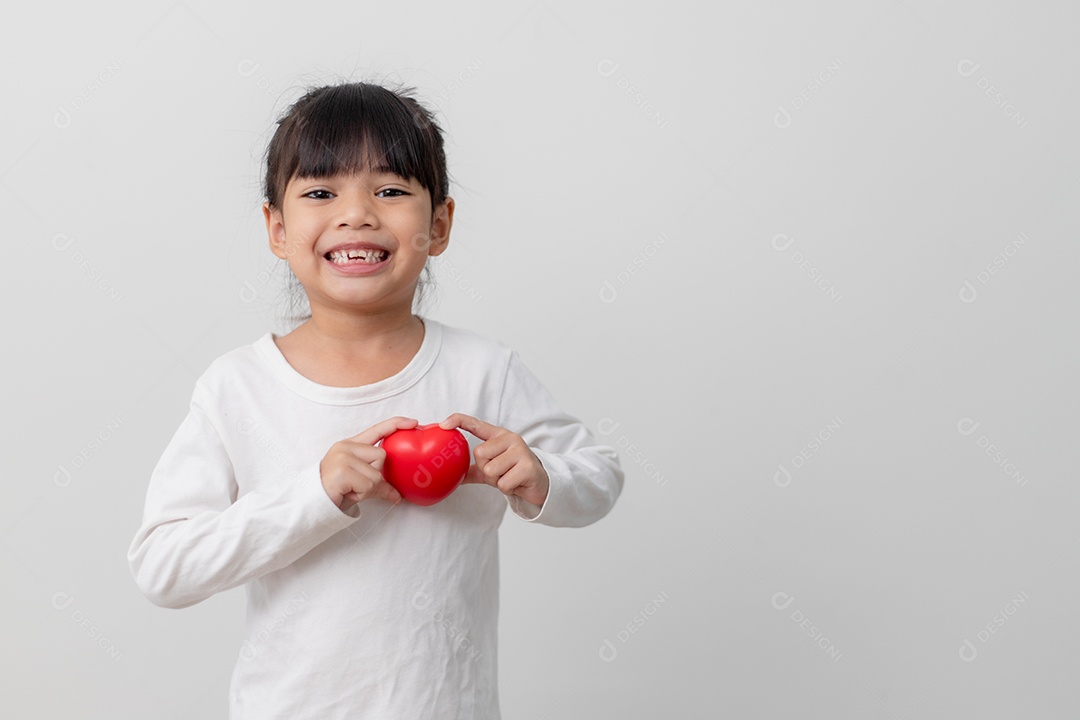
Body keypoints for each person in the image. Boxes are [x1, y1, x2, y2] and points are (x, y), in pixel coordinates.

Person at [126, 80, 624, 719]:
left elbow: (601, 475)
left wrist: (541, 476)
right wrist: (316, 494)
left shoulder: (484, 370)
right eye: (320, 193)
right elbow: (164, 567)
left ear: (438, 225)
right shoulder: (238, 387)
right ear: (277, 228)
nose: (356, 213)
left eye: (390, 191)